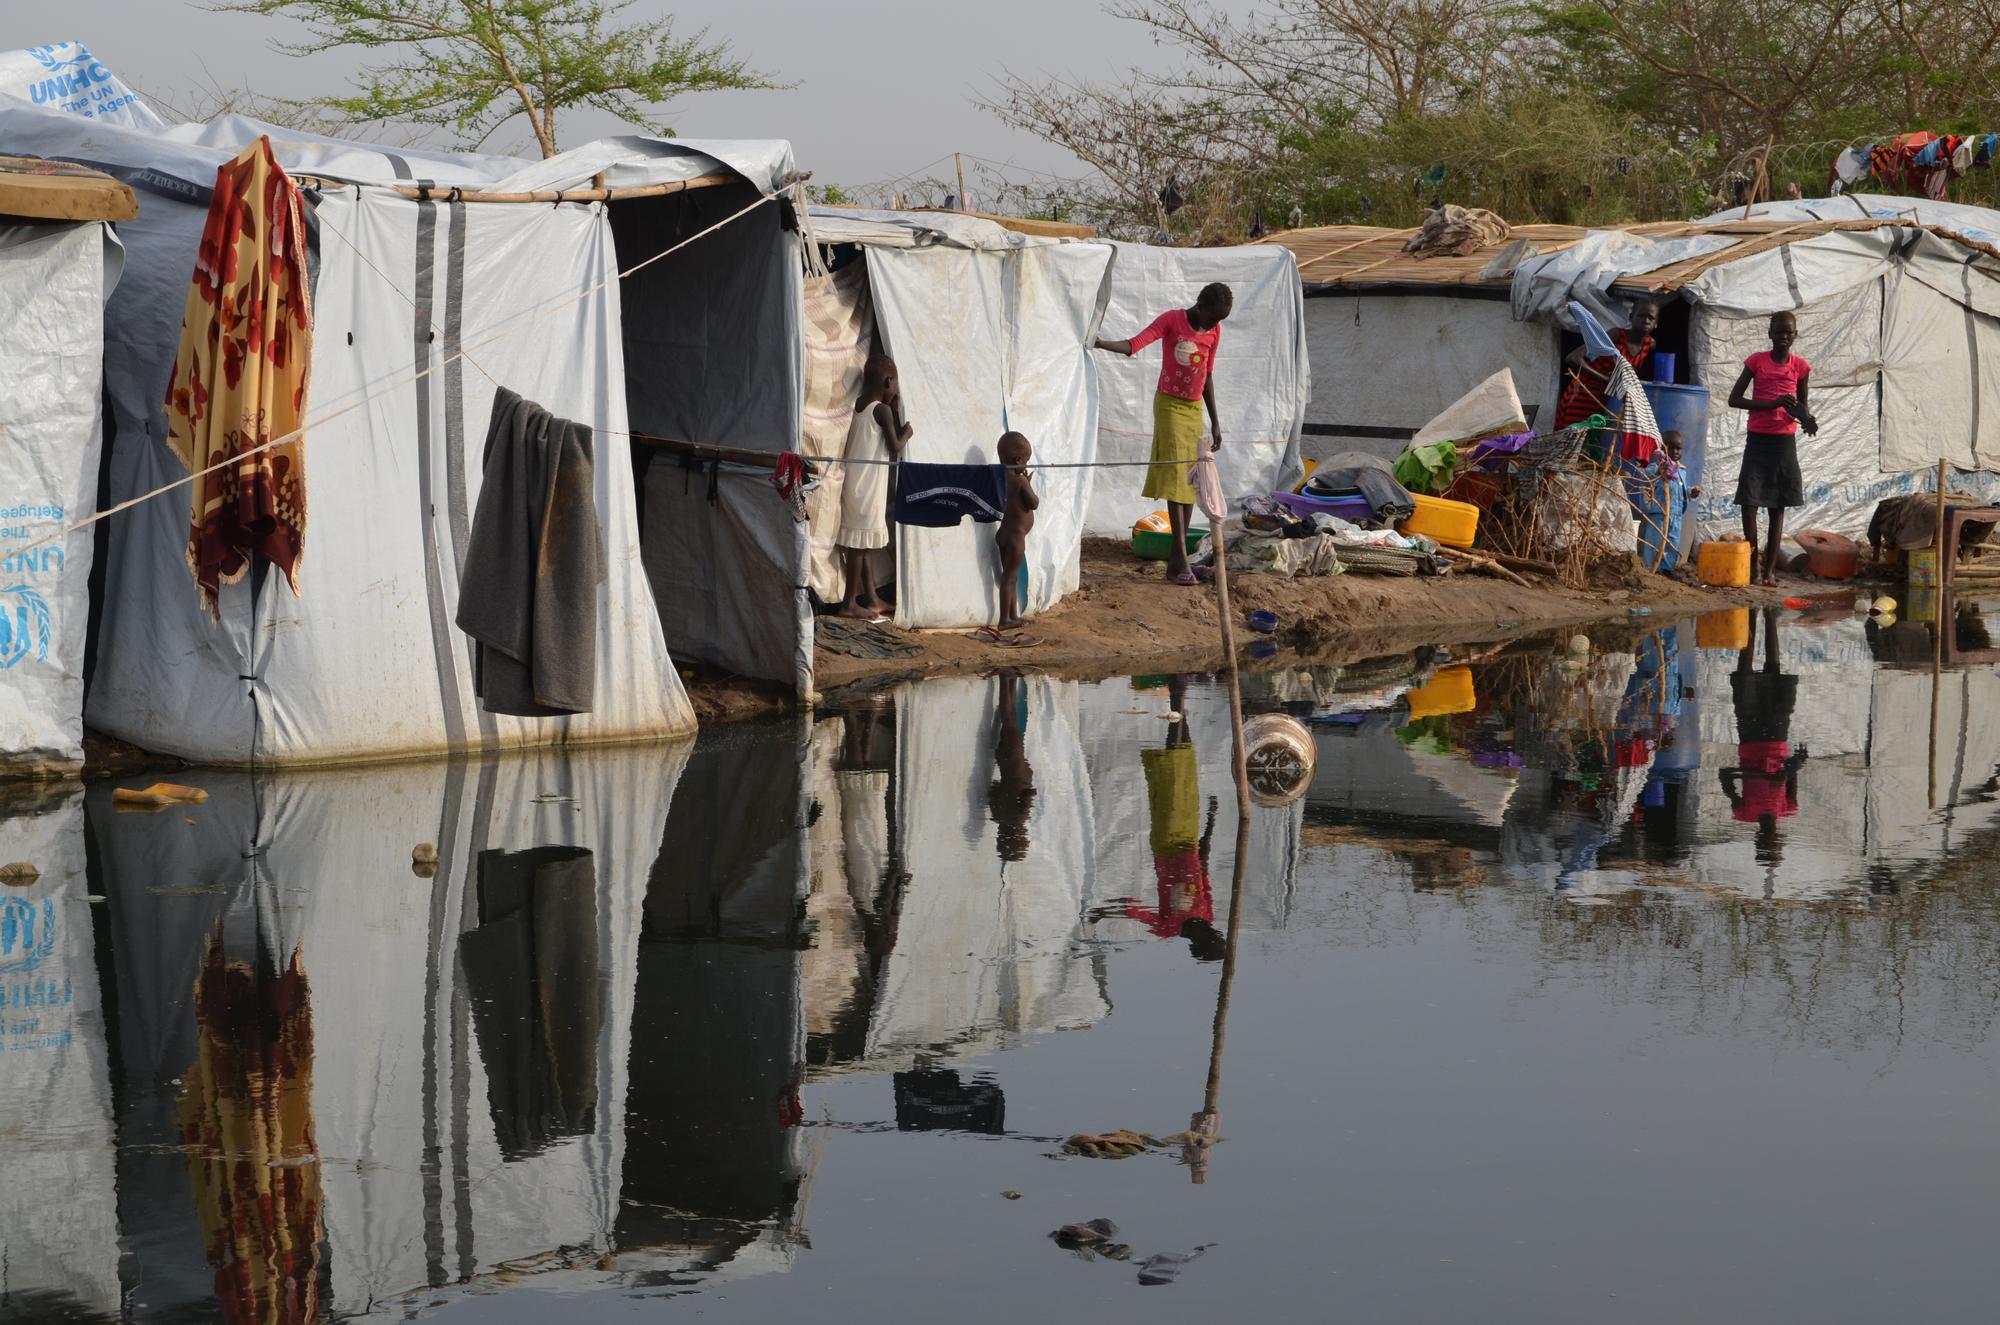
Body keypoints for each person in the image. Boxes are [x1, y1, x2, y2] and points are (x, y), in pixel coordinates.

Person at [1096, 284, 1233, 586]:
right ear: (1199, 304)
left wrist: (1216, 422)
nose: (1213, 325)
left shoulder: (1215, 331)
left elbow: (1207, 375)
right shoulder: (1172, 320)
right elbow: (1135, 344)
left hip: (1194, 410)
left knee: (1188, 482)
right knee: (1175, 480)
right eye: (1212, 318)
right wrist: (1100, 342)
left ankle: (1177, 560)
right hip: (1170, 406)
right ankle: (1179, 561)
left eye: (1219, 321)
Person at [1727, 312, 1813, 587]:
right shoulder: (1756, 362)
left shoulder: (1800, 367)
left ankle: (1770, 571)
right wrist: (1772, 404)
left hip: (1783, 443)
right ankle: (1753, 565)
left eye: (1789, 332)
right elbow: (1734, 399)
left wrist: (1807, 420)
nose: (1783, 337)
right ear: (1770, 334)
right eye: (1778, 332)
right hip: (1758, 439)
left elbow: (1802, 405)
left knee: (1778, 506)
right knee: (1749, 504)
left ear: (1795, 335)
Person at [1719, 607, 1806, 866]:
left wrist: (1758, 774)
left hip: (1749, 739)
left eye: (1765, 843)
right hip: (1777, 738)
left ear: (1757, 840)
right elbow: (1791, 775)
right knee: (1775, 672)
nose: (1770, 838)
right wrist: (1793, 765)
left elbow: (1724, 775)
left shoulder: (1743, 812)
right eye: (1774, 843)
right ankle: (1769, 617)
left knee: (1745, 677)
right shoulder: (1788, 809)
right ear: (1779, 839)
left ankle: (1750, 617)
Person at [837, 354, 913, 619]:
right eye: (895, 385)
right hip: (868, 489)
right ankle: (849, 603)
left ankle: (871, 599)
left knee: (863, 544)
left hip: (856, 486)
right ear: (888, 381)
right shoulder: (881, 411)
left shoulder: (860, 405)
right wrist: (908, 432)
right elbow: (894, 445)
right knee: (859, 548)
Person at [1555, 298, 1659, 431]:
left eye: (1651, 318)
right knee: (1572, 442)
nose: (1646, 321)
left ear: (1656, 323)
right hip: (1584, 396)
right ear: (1631, 317)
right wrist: (1607, 380)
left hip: (1608, 404)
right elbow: (1573, 358)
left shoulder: (1649, 345)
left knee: (1595, 446)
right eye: (1641, 315)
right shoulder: (1616, 336)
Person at [1630, 429, 1700, 572]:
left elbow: (1682, 489)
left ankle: (1667, 570)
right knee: (1656, 541)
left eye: (1678, 448)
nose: (1675, 452)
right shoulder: (1656, 467)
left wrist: (1691, 492)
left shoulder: (1681, 470)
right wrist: (1659, 471)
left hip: (1676, 515)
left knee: (1672, 542)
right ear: (1662, 449)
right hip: (1660, 514)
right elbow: (1645, 477)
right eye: (1671, 448)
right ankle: (1652, 569)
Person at [995, 432, 1039, 629]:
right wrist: (1027, 483)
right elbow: (1034, 503)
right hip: (1015, 536)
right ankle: (1005, 619)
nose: (1027, 465)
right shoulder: (1020, 481)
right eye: (1026, 460)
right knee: (1009, 577)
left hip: (1004, 533)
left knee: (1009, 576)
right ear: (1018, 459)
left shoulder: (999, 477)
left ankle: (1012, 616)